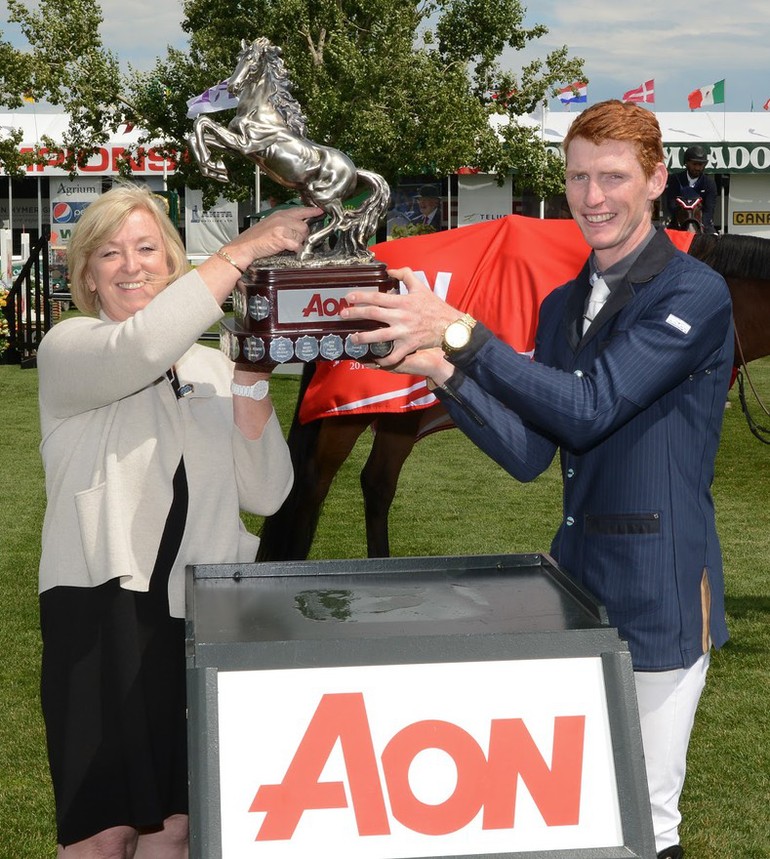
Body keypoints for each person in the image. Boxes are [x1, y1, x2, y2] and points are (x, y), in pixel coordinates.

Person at [341, 100, 733, 859]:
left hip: (660, 589)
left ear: (657, 180)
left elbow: (592, 408)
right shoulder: (562, 305)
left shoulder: (693, 293)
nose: (594, 197)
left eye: (613, 176)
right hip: (577, 587)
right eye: (579, 176)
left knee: (647, 819)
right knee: (584, 814)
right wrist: (440, 368)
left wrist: (459, 330)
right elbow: (529, 452)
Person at [36, 183, 320, 858]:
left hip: (197, 620)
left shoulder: (210, 366)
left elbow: (270, 492)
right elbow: (141, 348)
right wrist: (248, 249)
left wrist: (251, 382)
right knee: (102, 834)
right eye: (110, 253)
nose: (131, 265)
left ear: (171, 262)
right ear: (88, 275)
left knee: (178, 829)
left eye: (146, 249)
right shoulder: (71, 347)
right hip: (98, 614)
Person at [664, 144, 718, 233]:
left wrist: (701, 226)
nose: (697, 168)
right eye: (694, 164)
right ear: (686, 163)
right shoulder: (675, 179)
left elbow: (709, 210)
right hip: (678, 223)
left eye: (700, 165)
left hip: (702, 223)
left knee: (715, 241)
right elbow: (671, 205)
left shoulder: (709, 183)